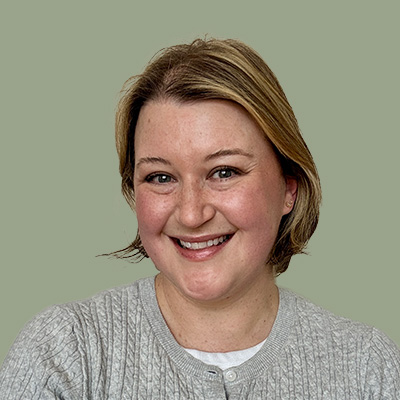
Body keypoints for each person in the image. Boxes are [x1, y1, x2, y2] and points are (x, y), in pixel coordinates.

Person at [0, 38, 399, 399]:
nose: (191, 215)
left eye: (224, 172)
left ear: (288, 189)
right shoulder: (65, 350)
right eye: (161, 177)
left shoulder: (366, 366)